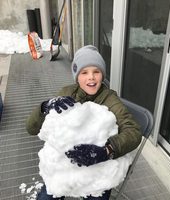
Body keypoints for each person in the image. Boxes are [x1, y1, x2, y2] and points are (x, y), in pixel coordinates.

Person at [26, 45, 142, 200]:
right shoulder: (66, 93)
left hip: (97, 168)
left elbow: (133, 131)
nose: (91, 77)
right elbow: (31, 129)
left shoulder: (110, 100)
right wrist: (44, 107)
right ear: (76, 76)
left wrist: (107, 150)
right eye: (84, 72)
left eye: (96, 71)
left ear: (102, 75)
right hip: (64, 166)